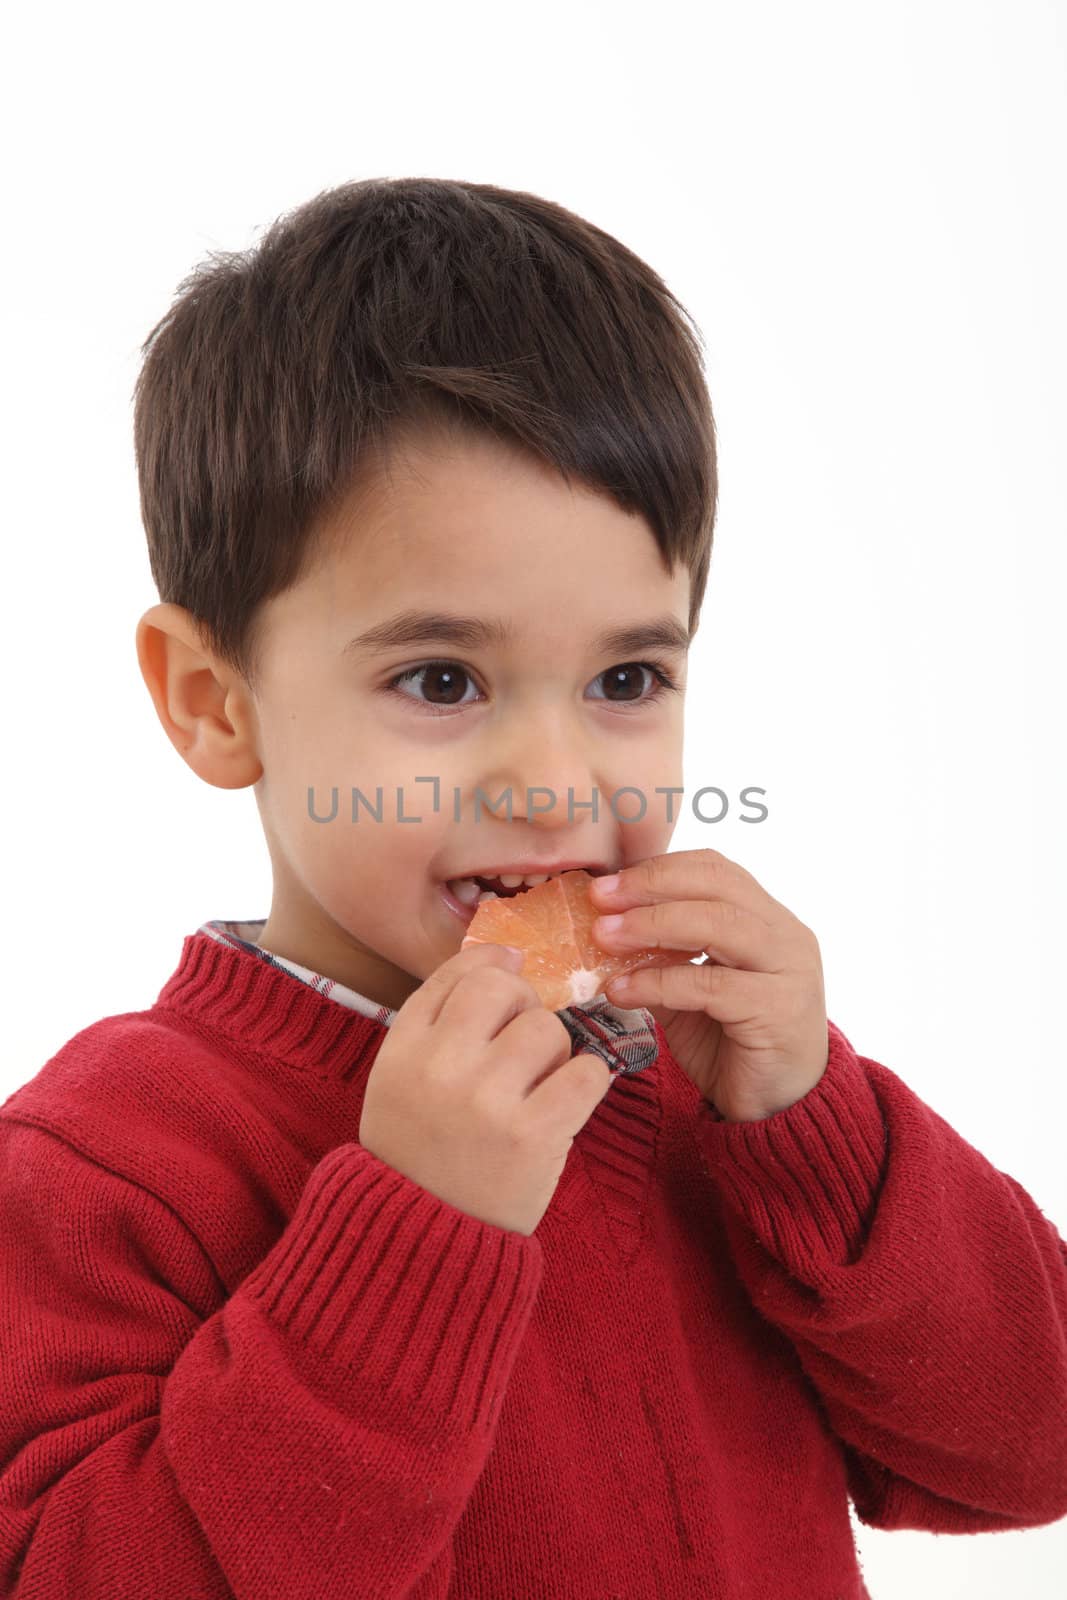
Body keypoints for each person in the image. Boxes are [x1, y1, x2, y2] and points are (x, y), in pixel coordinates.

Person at [2, 177, 1065, 1600]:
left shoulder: (711, 1094)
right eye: (441, 680)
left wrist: (816, 1128)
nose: (560, 784)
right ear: (214, 702)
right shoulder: (104, 1165)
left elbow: (1028, 1449)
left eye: (628, 679)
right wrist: (415, 1232)